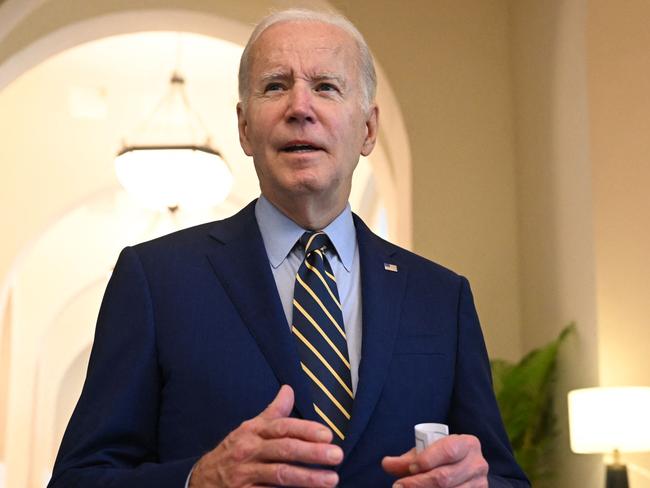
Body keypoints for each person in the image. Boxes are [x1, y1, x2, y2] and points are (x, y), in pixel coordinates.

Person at [49, 8, 530, 488]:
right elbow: (78, 478)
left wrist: (479, 485)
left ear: (367, 129)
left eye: (326, 86)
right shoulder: (154, 280)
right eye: (275, 86)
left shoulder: (441, 298)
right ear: (244, 128)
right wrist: (199, 479)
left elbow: (504, 477)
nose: (300, 107)